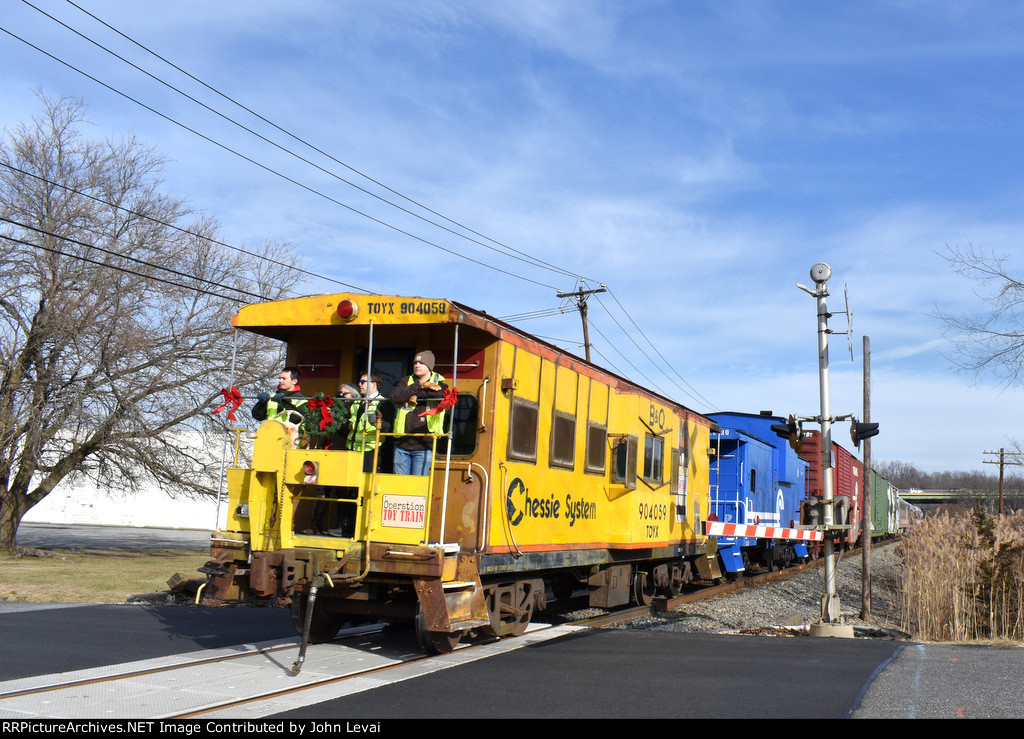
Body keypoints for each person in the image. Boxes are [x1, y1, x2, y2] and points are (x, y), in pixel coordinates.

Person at [388, 350, 448, 476]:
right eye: (416, 362)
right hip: (402, 442)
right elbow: (395, 397)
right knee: (399, 484)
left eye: (421, 363)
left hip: (425, 443)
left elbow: (441, 395)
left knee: (418, 485)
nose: (417, 365)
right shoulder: (405, 380)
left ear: (429, 366)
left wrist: (412, 393)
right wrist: (418, 386)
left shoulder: (440, 382)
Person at [346, 372, 394, 473]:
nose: (359, 384)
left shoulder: (384, 403)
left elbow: (390, 427)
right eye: (359, 382)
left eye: (363, 382)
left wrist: (378, 422)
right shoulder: (356, 403)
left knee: (366, 483)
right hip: (352, 448)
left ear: (374, 384)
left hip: (371, 450)